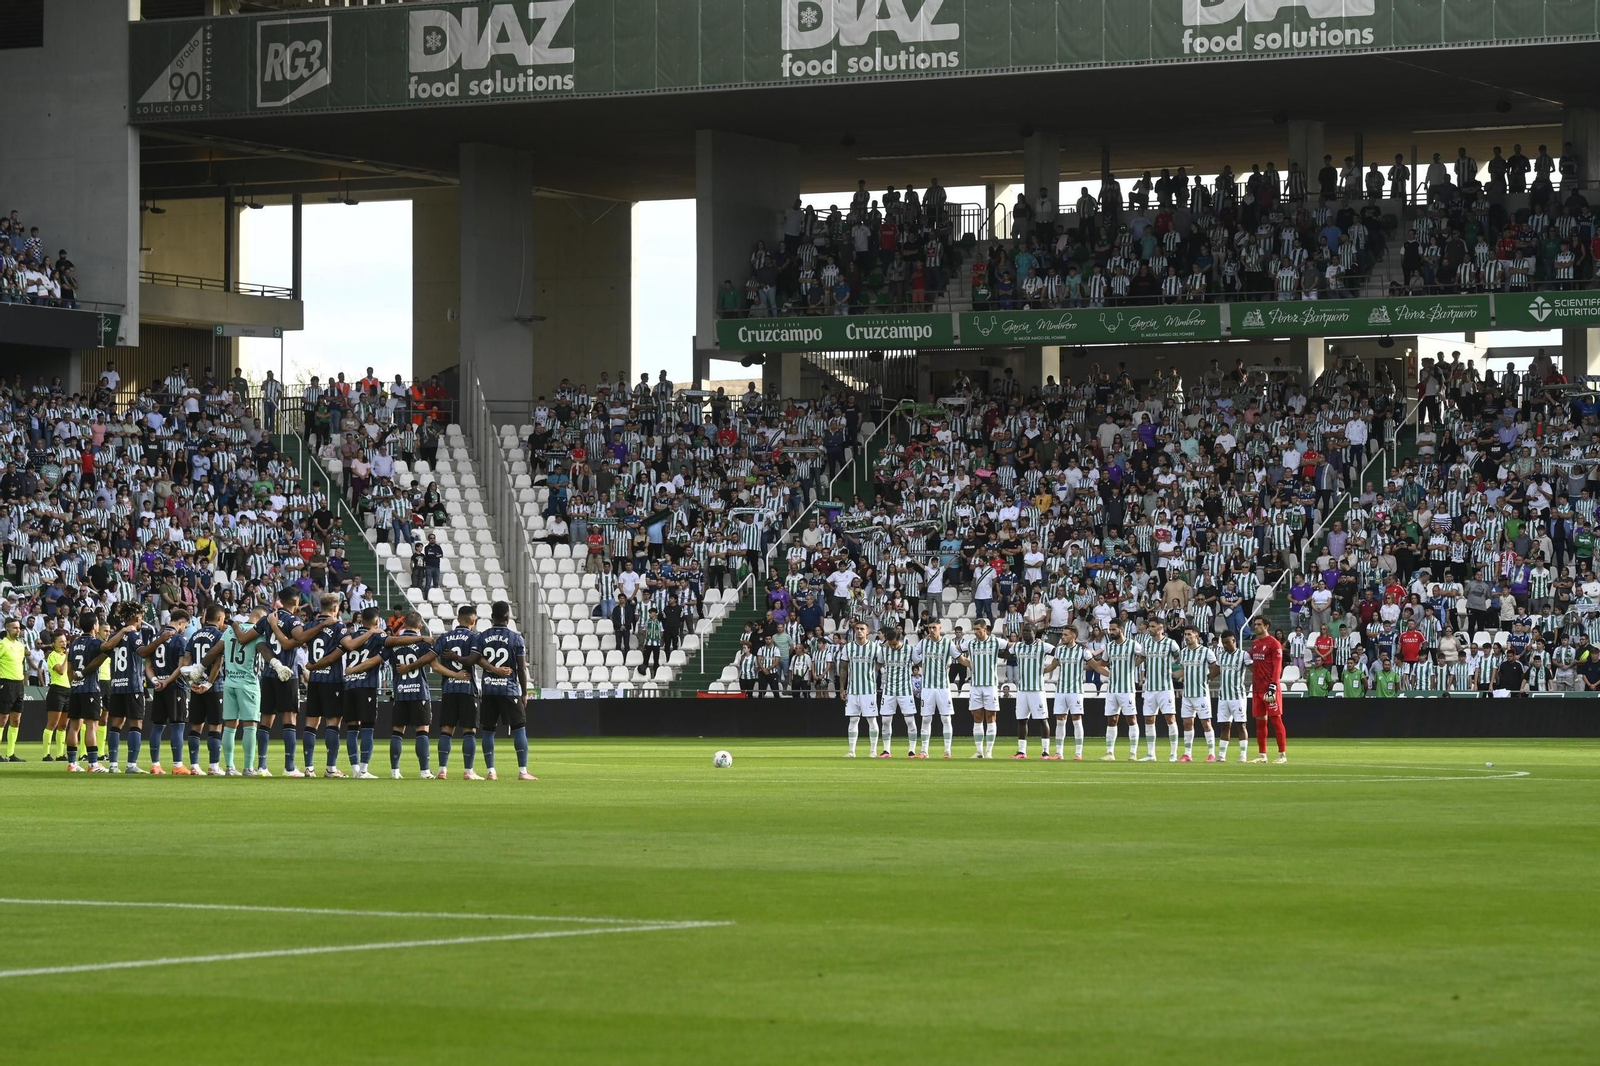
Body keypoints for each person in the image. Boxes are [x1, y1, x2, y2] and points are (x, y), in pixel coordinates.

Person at [203, 607, 268, 776]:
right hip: (248, 683)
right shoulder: (257, 633)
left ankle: (230, 767)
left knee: (230, 727)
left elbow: (214, 651)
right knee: (250, 726)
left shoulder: (229, 631)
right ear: (261, 617)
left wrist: (200, 667)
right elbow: (263, 651)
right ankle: (248, 767)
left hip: (229, 682)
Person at [474, 601, 535, 781]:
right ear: (507, 617)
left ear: (492, 617)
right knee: (519, 728)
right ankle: (523, 771)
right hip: (509, 690)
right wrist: (524, 693)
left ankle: (491, 771)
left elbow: (477, 658)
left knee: (488, 730)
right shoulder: (516, 638)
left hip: (489, 690)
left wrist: (492, 669)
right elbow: (521, 668)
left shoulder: (482, 637)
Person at [433, 604, 489, 780]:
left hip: (449, 689)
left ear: (457, 618)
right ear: (474, 620)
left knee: (446, 729)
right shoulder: (475, 637)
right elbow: (477, 660)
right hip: (467, 689)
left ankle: (442, 770)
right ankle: (468, 771)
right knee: (469, 730)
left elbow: (434, 664)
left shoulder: (444, 637)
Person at [381, 611, 439, 778]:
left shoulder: (394, 643)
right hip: (419, 692)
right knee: (422, 730)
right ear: (420, 626)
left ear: (404, 624)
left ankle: (395, 771)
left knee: (397, 731)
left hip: (400, 692)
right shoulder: (423, 644)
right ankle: (424, 771)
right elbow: (435, 666)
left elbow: (380, 659)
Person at [301, 595, 350, 778]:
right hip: (333, 680)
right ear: (335, 608)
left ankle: (309, 767)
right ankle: (331, 768)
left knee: (311, 723)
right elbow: (347, 645)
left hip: (314, 681)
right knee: (333, 723)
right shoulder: (338, 626)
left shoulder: (309, 626)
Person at [144, 610, 192, 774]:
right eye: (186, 625)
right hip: (175, 686)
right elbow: (181, 667)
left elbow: (148, 666)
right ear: (181, 622)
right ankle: (178, 765)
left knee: (157, 726)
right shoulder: (180, 639)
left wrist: (156, 681)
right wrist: (167, 681)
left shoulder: (155, 638)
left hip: (159, 687)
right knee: (178, 726)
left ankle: (155, 765)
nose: (185, 629)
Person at [1049, 625, 1106, 762]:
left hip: (1075, 691)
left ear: (1073, 636)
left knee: (1076, 720)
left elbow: (1096, 666)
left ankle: (1078, 753)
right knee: (1060, 721)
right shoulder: (1059, 650)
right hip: (1061, 690)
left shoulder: (1082, 651)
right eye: (1062, 634)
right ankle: (1058, 752)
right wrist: (1039, 671)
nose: (1063, 637)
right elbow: (1052, 666)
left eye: (1066, 635)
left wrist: (1111, 675)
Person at [183, 607, 226, 775]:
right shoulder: (219, 636)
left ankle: (194, 766)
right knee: (215, 726)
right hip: (214, 686)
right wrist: (208, 683)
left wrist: (191, 682)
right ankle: (214, 766)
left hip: (195, 686)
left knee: (195, 726)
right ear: (220, 618)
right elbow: (218, 662)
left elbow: (187, 660)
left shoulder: (195, 635)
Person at [1007, 624, 1055, 758]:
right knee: (1022, 720)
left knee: (1042, 719)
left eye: (1028, 631)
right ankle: (1022, 751)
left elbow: (1058, 652)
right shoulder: (1017, 646)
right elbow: (1004, 654)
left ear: (1035, 633)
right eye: (1024, 631)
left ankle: (1045, 751)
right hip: (1022, 690)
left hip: (1037, 690)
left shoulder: (1042, 646)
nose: (1025, 633)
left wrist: (1050, 667)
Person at [912, 620, 957, 759]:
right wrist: (921, 663)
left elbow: (957, 656)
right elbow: (914, 653)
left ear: (940, 628)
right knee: (926, 718)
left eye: (934, 627)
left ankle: (947, 751)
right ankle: (924, 751)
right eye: (929, 627)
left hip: (943, 687)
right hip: (927, 687)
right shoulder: (924, 643)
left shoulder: (948, 643)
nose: (931, 630)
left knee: (946, 718)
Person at [1099, 620, 1142, 761]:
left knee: (1131, 719)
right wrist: (1088, 664)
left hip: (1127, 689)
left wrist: (1135, 664)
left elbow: (1144, 655)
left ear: (1121, 630)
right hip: (1112, 689)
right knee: (1111, 719)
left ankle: (1133, 753)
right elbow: (1103, 663)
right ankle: (1110, 753)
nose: (1111, 632)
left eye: (1113, 629)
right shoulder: (1109, 647)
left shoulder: (1133, 644)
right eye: (1110, 629)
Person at [1140, 619, 1181, 762]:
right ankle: (1151, 754)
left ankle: (1173, 753)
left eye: (1152, 626)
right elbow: (1141, 659)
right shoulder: (1146, 643)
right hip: (1150, 688)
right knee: (1149, 719)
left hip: (1165, 688)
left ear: (1160, 627)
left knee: (1170, 718)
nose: (1149, 629)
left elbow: (1180, 660)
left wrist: (1179, 673)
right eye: (1149, 626)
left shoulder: (1171, 643)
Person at [1249, 617, 1287, 763]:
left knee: (1276, 720)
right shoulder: (1255, 643)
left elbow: (1278, 667)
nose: (1256, 627)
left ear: (1266, 626)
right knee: (1260, 722)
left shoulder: (1274, 644)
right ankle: (1262, 755)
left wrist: (1273, 685)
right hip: (1257, 689)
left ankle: (1282, 755)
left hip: (1269, 689)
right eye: (1255, 624)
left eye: (1259, 624)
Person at [965, 618, 1004, 758]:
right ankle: (979, 751)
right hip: (975, 685)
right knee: (977, 717)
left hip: (990, 685)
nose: (975, 632)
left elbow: (1012, 646)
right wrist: (966, 662)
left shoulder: (995, 642)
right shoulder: (970, 644)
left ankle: (989, 751)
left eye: (978, 629)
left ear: (985, 629)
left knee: (991, 717)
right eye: (974, 629)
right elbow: (955, 650)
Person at [1177, 627, 1217, 763]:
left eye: (1189, 634)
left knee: (1206, 723)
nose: (1186, 637)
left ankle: (1212, 754)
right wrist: (1173, 675)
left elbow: (1216, 667)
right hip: (1187, 694)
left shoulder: (1206, 651)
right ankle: (1187, 754)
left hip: (1201, 694)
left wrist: (1208, 678)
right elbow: (1182, 670)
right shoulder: (1183, 652)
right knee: (1187, 723)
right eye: (1185, 634)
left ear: (1197, 636)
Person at [841, 622, 880, 758]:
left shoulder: (875, 647)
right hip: (852, 690)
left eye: (862, 629)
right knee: (853, 720)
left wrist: (872, 672)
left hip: (869, 689)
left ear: (867, 631)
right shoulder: (848, 647)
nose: (859, 631)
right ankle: (851, 751)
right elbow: (843, 668)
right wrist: (842, 688)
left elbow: (881, 663)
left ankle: (873, 751)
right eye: (857, 629)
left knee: (871, 720)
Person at [877, 627, 917, 758]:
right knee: (885, 720)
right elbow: (878, 664)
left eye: (895, 644)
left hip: (905, 690)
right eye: (890, 644)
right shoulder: (884, 650)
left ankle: (912, 750)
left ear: (900, 640)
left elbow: (920, 663)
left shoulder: (909, 649)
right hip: (888, 689)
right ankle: (886, 750)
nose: (893, 647)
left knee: (909, 720)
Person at [1214, 632, 1252, 763]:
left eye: (1227, 642)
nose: (1225, 645)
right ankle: (1221, 755)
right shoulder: (1221, 656)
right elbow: (1215, 672)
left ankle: (1243, 755)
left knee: (1241, 725)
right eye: (1223, 643)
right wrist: (1204, 678)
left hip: (1238, 696)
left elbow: (1254, 669)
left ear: (1234, 640)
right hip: (1223, 697)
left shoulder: (1243, 655)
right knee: (1224, 726)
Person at [0, 618, 26, 762]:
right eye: (15, 628)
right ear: (7, 629)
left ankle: (10, 754)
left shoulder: (21, 646)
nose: (18, 630)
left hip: (19, 685)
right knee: (2, 719)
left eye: (19, 628)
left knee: (16, 720)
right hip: (6, 684)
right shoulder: (2, 644)